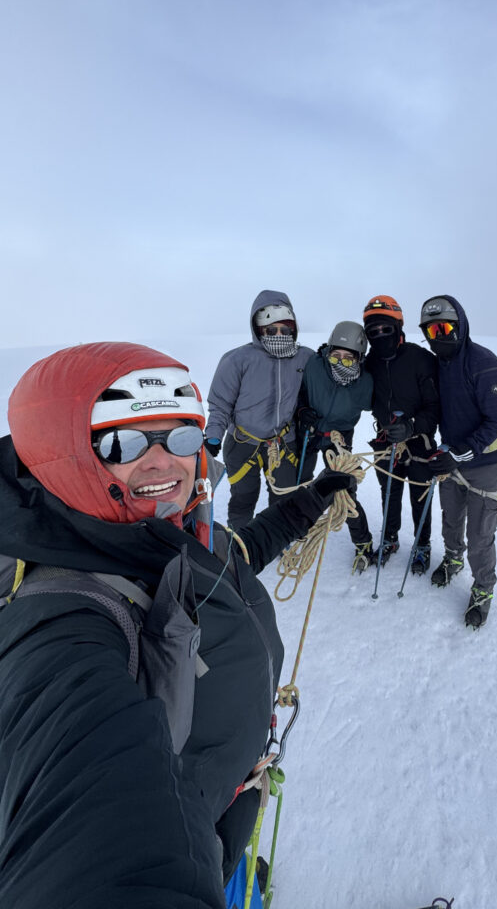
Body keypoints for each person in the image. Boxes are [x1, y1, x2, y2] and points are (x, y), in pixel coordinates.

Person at [0, 341, 354, 907]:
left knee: (224, 854)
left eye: (182, 437)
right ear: (62, 454)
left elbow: (235, 557)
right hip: (190, 821)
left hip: (227, 795)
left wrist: (311, 501)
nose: (164, 462)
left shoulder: (173, 536)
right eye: (125, 442)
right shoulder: (68, 615)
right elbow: (97, 835)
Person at [420, 295, 497, 629]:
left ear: (459, 326)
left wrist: (459, 453)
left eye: (444, 327)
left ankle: (483, 588)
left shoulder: (485, 364)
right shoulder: (438, 366)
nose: (437, 336)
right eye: (430, 331)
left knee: (481, 533)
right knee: (451, 518)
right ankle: (453, 559)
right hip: (451, 457)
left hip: (485, 463)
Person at [206, 290, 313, 530]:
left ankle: (277, 539)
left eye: (284, 330)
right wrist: (214, 435)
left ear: (293, 330)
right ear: (258, 329)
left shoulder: (304, 358)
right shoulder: (237, 359)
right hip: (242, 442)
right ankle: (241, 542)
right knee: (244, 497)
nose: (278, 334)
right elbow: (220, 403)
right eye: (270, 330)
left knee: (283, 497)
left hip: (283, 442)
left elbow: (322, 385)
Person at [363, 295, 440, 573]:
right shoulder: (368, 363)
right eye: (373, 331)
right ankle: (390, 538)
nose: (380, 335)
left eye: (385, 328)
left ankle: (422, 545)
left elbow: (435, 406)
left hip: (420, 441)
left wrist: (412, 425)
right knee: (389, 492)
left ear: (398, 327)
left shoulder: (422, 360)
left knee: (420, 495)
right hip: (385, 441)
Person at [296, 321, 375, 572]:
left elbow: (382, 404)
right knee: (301, 484)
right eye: (335, 356)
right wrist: (302, 410)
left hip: (339, 437)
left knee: (344, 492)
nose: (341, 363)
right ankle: (297, 529)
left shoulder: (366, 382)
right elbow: (299, 392)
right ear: (327, 351)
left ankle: (363, 542)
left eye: (349, 358)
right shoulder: (314, 366)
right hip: (309, 431)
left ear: (360, 358)